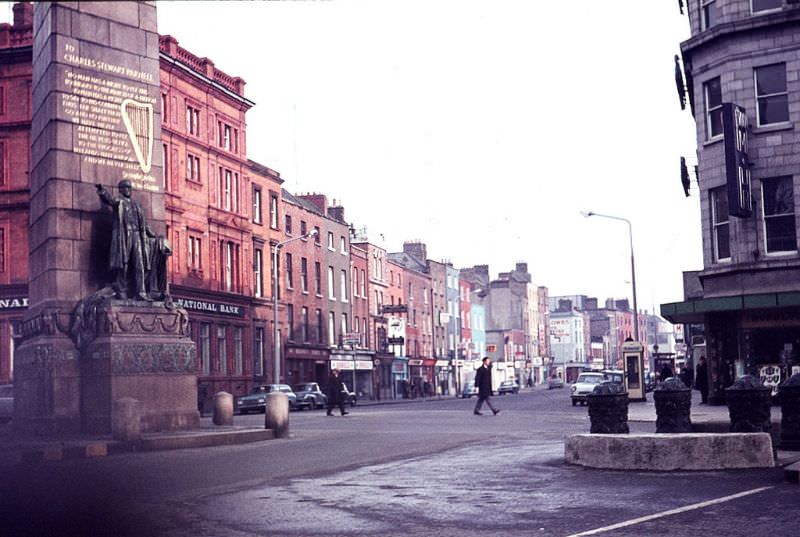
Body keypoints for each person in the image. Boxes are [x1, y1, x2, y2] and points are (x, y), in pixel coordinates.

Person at [96, 180, 155, 301]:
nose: (129, 190)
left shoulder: (136, 205)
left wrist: (151, 234)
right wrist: (102, 191)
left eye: (129, 187)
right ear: (121, 189)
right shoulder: (119, 201)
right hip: (125, 235)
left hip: (137, 236)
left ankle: (141, 291)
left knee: (139, 263)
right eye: (126, 187)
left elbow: (143, 222)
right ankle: (121, 289)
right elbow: (110, 200)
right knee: (124, 263)